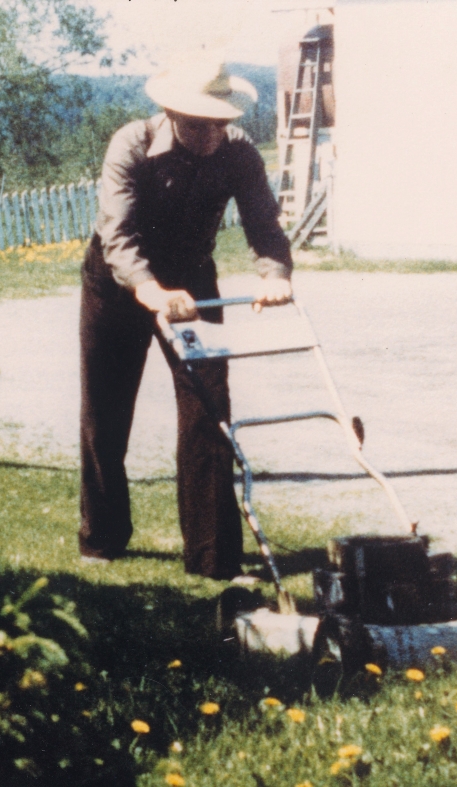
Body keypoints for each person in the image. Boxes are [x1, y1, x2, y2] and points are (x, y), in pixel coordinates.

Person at [78, 58, 294, 581]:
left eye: (218, 122)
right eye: (198, 123)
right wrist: (150, 290)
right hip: (118, 281)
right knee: (106, 412)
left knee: (208, 410)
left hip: (193, 280)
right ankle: (102, 537)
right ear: (171, 114)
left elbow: (264, 222)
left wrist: (275, 273)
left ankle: (212, 556)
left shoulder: (239, 153)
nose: (210, 134)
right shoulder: (131, 144)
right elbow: (119, 234)